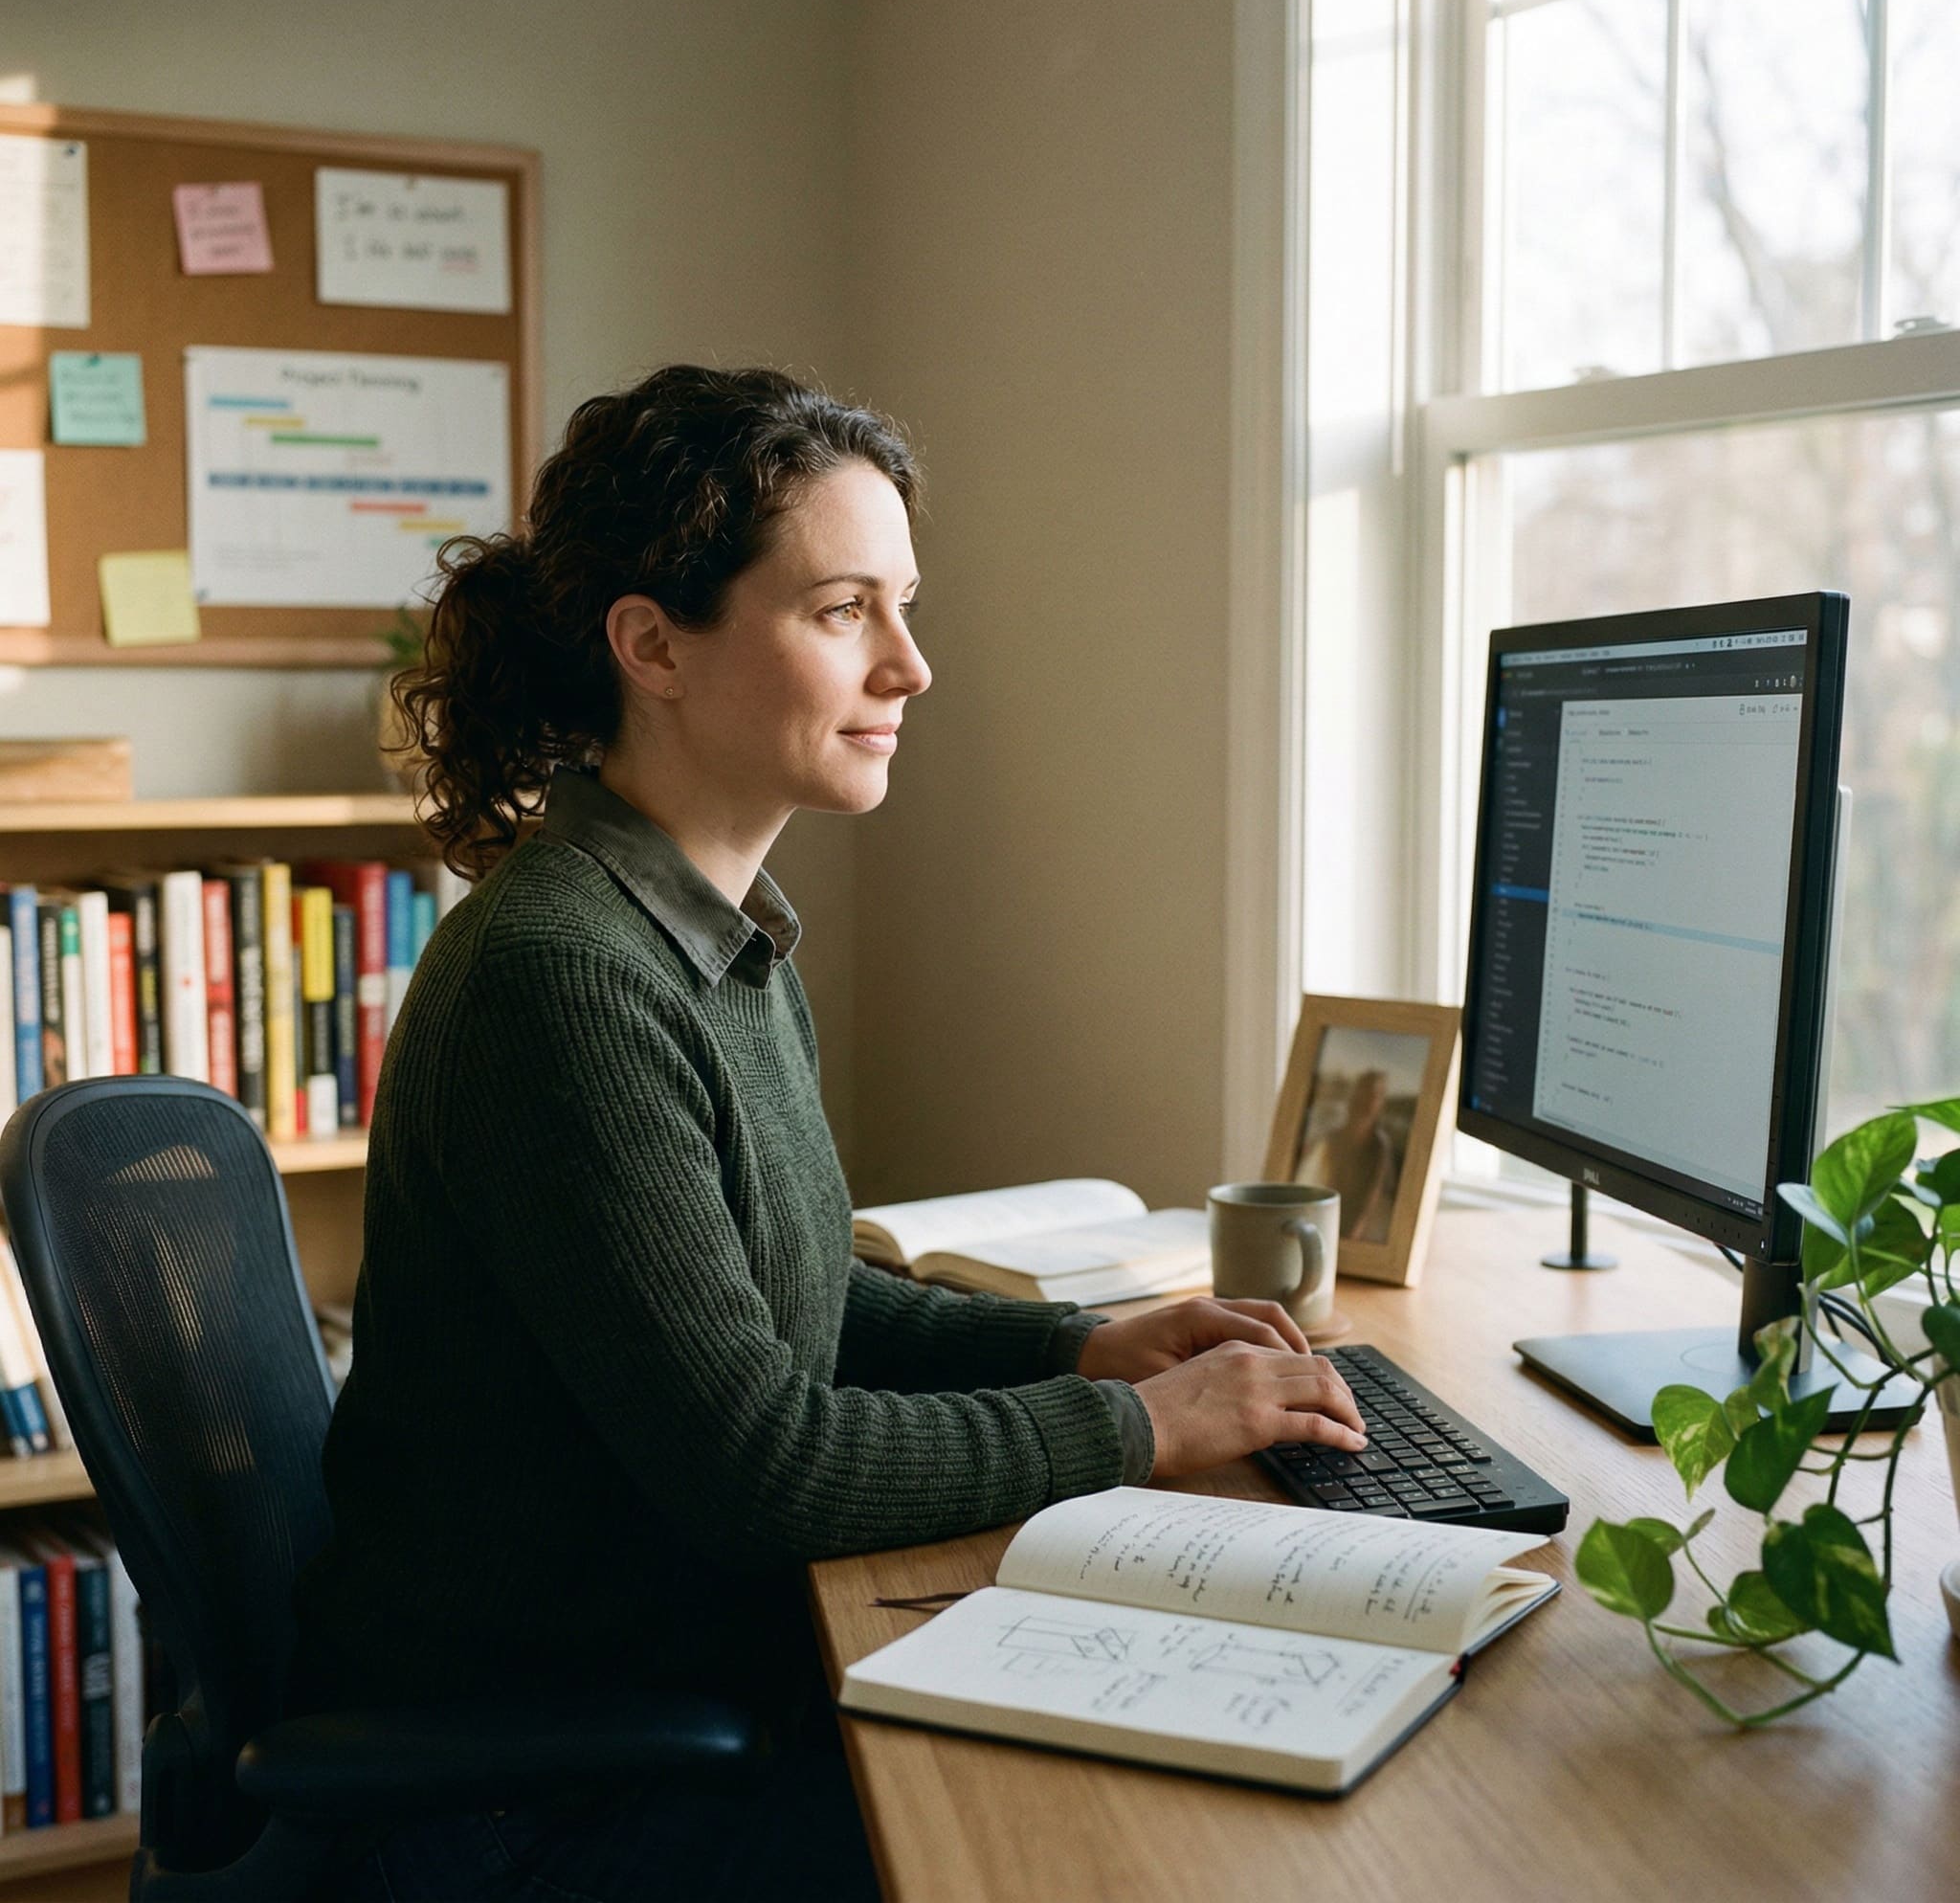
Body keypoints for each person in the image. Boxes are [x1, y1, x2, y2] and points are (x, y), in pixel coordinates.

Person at [291, 365, 1366, 1901]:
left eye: (902, 606)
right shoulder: (565, 980)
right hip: (537, 1782)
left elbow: (797, 1297)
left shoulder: (719, 935)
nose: (913, 667)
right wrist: (1148, 1432)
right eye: (844, 611)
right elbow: (763, 1464)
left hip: (665, 1681)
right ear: (652, 644)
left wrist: (1081, 1352)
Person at [1303, 1068, 1397, 1242]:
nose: (1372, 1099)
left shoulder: (1380, 1146)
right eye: (1367, 1092)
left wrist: (1354, 1234)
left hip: (1359, 1229)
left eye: (1378, 1095)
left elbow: (1372, 1196)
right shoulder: (1332, 1138)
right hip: (1325, 1220)